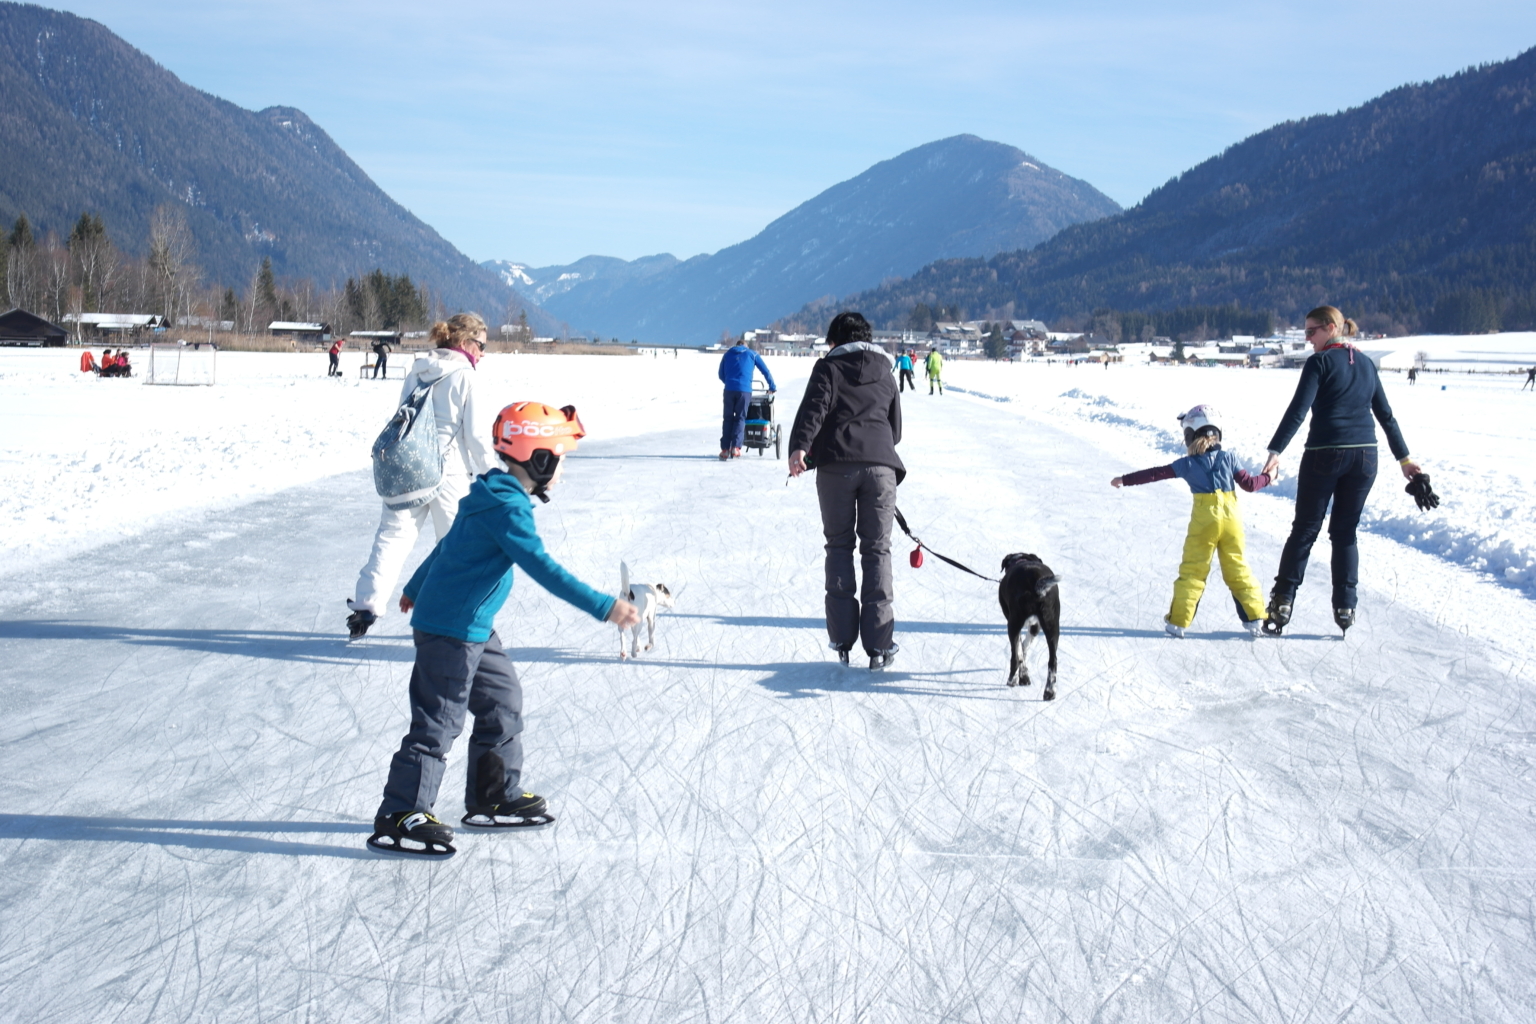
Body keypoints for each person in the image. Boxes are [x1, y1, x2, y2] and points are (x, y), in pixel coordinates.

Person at [367, 401, 642, 856]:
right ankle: (400, 813)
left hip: (471, 626)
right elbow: (542, 566)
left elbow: (449, 544)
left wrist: (416, 585)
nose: (562, 470)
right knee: (440, 720)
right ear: (539, 459)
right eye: (560, 458)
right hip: (452, 630)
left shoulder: (492, 491)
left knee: (503, 701)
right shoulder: (508, 509)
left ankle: (491, 795)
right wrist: (604, 606)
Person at [1260, 305, 1420, 635]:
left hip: (1324, 453)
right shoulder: (1365, 363)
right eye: (1305, 332)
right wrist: (1404, 459)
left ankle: (1282, 602)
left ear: (1331, 328)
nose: (1307, 339)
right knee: (1345, 532)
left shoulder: (1319, 363)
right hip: (1365, 458)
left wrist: (1275, 451)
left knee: (1305, 528)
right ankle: (1345, 607)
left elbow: (1298, 411)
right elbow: (1386, 417)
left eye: (1311, 331)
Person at [347, 313, 497, 639]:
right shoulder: (467, 377)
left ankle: (365, 605)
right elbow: (475, 436)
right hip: (449, 471)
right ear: (464, 341)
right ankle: (455, 618)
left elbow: (406, 418)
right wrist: (492, 474)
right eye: (482, 344)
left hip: (410, 467)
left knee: (392, 537)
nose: (484, 352)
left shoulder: (417, 370)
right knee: (457, 547)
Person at [787, 311, 904, 670]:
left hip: (836, 468)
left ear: (835, 341)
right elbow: (895, 428)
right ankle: (880, 645)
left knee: (839, 546)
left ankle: (842, 638)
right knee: (877, 551)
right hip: (881, 469)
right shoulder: (885, 370)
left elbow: (814, 410)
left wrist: (799, 448)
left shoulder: (828, 368)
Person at [1111, 405, 1272, 638]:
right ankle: (1255, 617)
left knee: (1193, 571)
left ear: (1190, 435)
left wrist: (1124, 480)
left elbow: (1155, 473)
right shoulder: (1229, 458)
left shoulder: (1186, 464)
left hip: (1204, 522)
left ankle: (1178, 622)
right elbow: (1250, 484)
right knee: (1237, 567)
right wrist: (1268, 477)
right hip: (1232, 520)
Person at [717, 339, 776, 460]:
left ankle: (724, 449)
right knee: (740, 417)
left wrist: (729, 382)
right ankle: (736, 448)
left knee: (728, 418)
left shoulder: (727, 354)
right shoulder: (752, 354)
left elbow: (721, 374)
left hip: (729, 390)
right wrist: (772, 386)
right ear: (745, 346)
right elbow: (765, 371)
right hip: (744, 391)